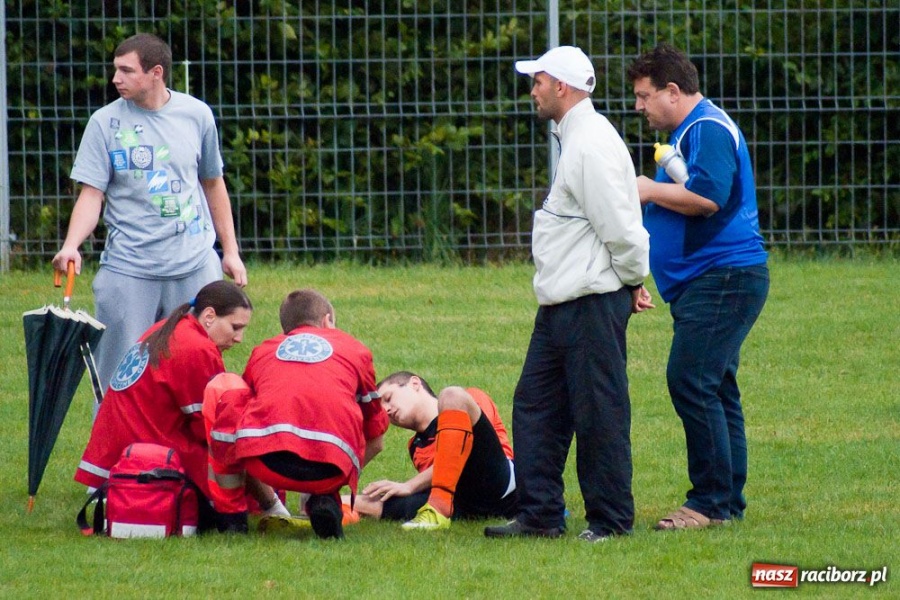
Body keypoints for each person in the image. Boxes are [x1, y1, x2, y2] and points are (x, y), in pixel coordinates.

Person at [484, 46, 652, 543]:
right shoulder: (575, 137)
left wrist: (630, 280)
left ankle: (611, 521)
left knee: (598, 411)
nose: (532, 90)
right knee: (535, 405)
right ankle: (539, 516)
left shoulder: (590, 144)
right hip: (561, 303)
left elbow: (622, 228)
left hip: (590, 302)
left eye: (537, 80)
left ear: (562, 86)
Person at [51, 33, 247, 406]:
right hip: (128, 269)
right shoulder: (104, 123)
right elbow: (92, 193)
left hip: (194, 265)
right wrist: (71, 245)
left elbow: (213, 182)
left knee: (200, 373)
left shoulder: (197, 115)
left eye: (126, 71)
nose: (116, 79)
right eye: (115, 69)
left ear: (156, 73)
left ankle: (193, 459)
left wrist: (230, 251)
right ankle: (111, 462)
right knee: (120, 378)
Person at [626, 44, 769, 530]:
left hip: (723, 277)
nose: (639, 106)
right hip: (712, 279)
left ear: (672, 90)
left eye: (645, 96)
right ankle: (725, 502)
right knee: (715, 386)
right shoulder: (695, 129)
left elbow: (708, 198)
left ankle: (708, 503)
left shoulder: (706, 127)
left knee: (691, 380)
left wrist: (646, 187)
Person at [74, 280, 284, 532]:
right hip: (153, 452)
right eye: (235, 327)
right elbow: (216, 433)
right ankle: (270, 510)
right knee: (241, 446)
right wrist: (269, 498)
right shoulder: (196, 349)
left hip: (121, 453)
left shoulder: (167, 328)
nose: (239, 338)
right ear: (209, 316)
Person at [207, 289, 388, 539]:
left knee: (230, 394)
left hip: (265, 463)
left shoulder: (264, 350)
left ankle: (233, 518)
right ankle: (324, 499)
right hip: (330, 469)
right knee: (359, 414)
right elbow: (376, 435)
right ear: (327, 321)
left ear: (286, 330)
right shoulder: (355, 349)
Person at [351, 371, 517, 531]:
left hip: (499, 484)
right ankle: (329, 503)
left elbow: (465, 454)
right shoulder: (416, 446)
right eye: (382, 411)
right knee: (377, 501)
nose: (386, 411)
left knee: (452, 395)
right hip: (464, 503)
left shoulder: (469, 398)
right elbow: (443, 477)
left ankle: (438, 509)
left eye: (388, 398)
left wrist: (410, 485)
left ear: (415, 383)